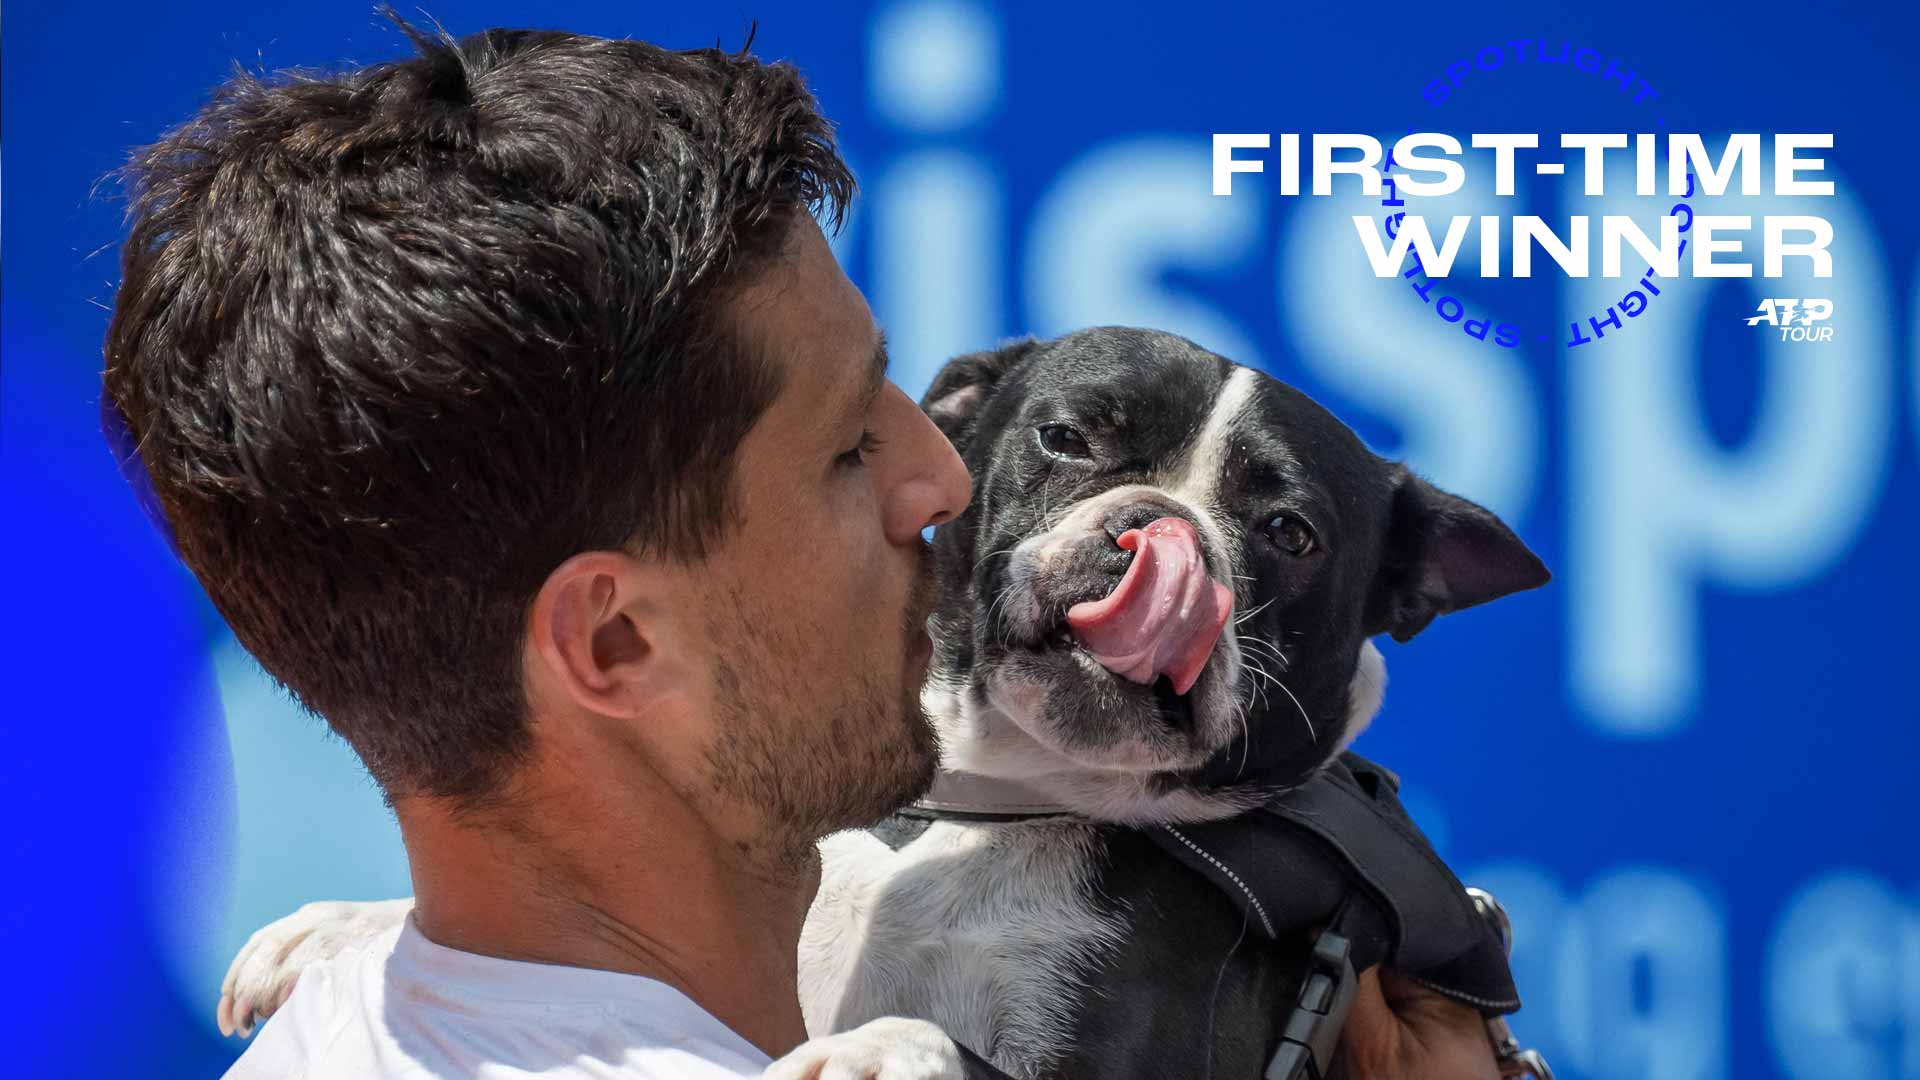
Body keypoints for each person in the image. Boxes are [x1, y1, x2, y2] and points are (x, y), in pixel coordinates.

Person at [103, 19, 1505, 1080]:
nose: (945, 479)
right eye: (849, 449)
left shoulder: (352, 1025)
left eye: (911, 396)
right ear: (614, 643)